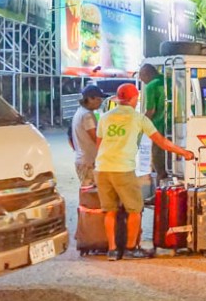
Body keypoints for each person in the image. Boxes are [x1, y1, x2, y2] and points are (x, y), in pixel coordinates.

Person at [96, 83, 195, 261]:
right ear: (134, 99)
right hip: (123, 169)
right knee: (135, 209)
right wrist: (184, 153)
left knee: (109, 211)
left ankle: (112, 250)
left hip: (102, 168)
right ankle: (130, 248)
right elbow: (162, 142)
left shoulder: (105, 117)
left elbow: (99, 145)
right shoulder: (138, 119)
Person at [70, 84, 105, 185]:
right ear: (90, 99)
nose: (101, 102)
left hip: (83, 160)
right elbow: (96, 138)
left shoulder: (80, 112)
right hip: (88, 162)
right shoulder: (87, 115)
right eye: (98, 99)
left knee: (89, 194)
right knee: (91, 196)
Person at [139, 64, 168, 182]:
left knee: (157, 157)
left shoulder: (151, 85)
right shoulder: (169, 80)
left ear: (146, 73)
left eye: (141, 77)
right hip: (174, 125)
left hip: (159, 126)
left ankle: (160, 187)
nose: (141, 80)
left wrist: (139, 125)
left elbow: (151, 110)